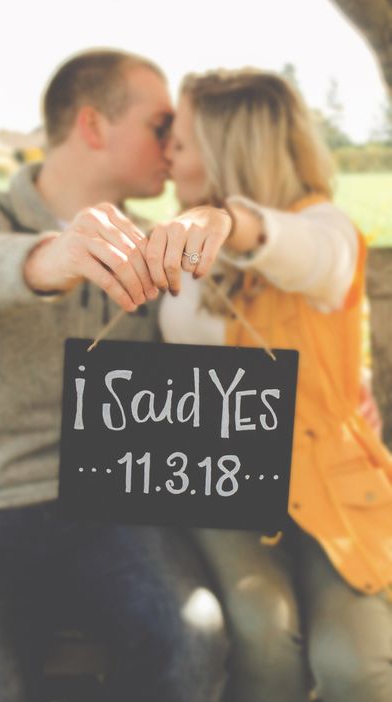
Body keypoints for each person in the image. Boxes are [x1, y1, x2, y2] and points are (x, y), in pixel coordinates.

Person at [0, 50, 227, 702]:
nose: (174, 144)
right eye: (158, 124)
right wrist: (48, 259)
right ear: (92, 126)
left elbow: (212, 352)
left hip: (111, 510)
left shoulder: (157, 244)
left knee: (194, 640)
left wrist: (219, 222)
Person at [143, 68, 392, 701]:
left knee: (353, 666)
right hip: (215, 478)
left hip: (325, 481)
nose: (168, 154)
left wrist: (243, 228)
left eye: (182, 139)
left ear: (230, 148)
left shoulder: (322, 226)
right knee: (265, 634)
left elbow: (319, 261)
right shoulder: (176, 248)